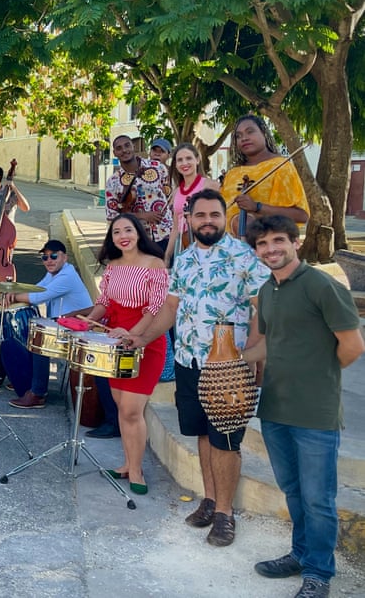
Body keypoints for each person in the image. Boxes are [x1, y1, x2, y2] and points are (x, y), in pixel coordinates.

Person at [126, 190, 270, 547]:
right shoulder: (185, 260)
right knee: (203, 435)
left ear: (225, 217)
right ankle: (209, 500)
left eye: (215, 215)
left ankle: (225, 514)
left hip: (226, 367)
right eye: (200, 215)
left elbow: (261, 311)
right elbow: (170, 309)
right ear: (188, 219)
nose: (208, 221)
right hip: (188, 361)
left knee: (225, 441)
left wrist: (249, 359)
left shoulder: (244, 257)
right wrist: (142, 338)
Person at [242, 215, 364, 598]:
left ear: (295, 241)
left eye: (278, 240)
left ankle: (318, 573)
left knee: (318, 497)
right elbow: (267, 345)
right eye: (262, 244)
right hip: (275, 408)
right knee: (293, 490)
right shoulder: (266, 290)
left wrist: (319, 375)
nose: (270, 249)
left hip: (315, 413)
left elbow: (353, 346)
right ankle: (299, 554)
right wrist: (233, 361)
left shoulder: (322, 286)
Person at [84, 213, 168, 495]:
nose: (123, 235)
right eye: (117, 231)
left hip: (146, 342)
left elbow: (155, 309)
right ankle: (127, 463)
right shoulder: (113, 267)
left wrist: (135, 335)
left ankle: (137, 470)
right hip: (115, 342)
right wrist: (86, 321)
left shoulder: (155, 264)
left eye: (128, 230)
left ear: (138, 233)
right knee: (122, 407)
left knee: (132, 410)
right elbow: (104, 303)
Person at [3, 240, 94, 409]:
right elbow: (38, 288)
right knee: (32, 327)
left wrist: (14, 297)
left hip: (77, 326)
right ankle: (24, 379)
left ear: (65, 257)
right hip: (63, 321)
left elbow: (38, 297)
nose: (49, 260)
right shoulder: (54, 273)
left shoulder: (67, 275)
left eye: (53, 256)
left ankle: (37, 394)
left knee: (40, 335)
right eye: (45, 258)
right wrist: (15, 291)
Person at [221, 115, 309, 238]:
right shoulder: (232, 174)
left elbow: (301, 216)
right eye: (238, 136)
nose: (244, 138)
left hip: (268, 246)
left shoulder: (281, 166)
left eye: (250, 132)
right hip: (229, 249)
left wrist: (257, 207)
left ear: (264, 133)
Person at [104, 135, 173, 251]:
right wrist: (143, 215)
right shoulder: (112, 182)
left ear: (133, 146)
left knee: (166, 268)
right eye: (119, 148)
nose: (124, 150)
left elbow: (169, 197)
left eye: (127, 145)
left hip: (165, 233)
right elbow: (112, 216)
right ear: (114, 153)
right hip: (137, 240)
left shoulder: (158, 167)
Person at [164, 143, 221, 265]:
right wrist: (167, 256)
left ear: (197, 159)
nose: (184, 163)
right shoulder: (176, 193)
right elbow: (175, 228)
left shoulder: (211, 186)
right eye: (180, 160)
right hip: (183, 248)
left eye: (189, 158)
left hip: (208, 246)